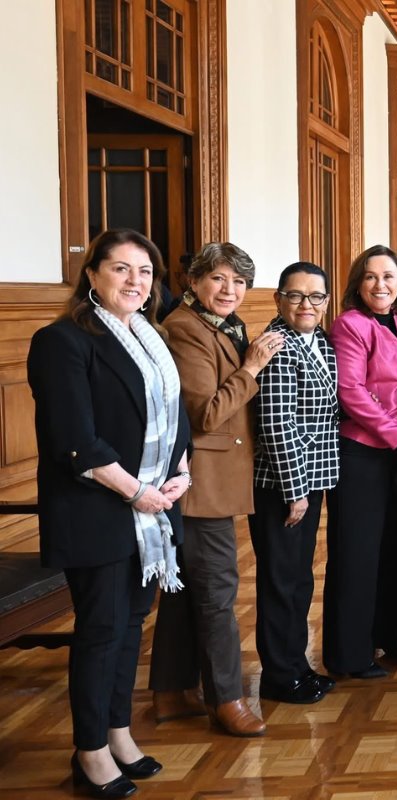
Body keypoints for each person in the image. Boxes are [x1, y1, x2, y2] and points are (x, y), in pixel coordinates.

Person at [28, 229, 191, 798]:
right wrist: (136, 492)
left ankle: (118, 732)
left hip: (149, 510)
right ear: (93, 275)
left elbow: (176, 418)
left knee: (129, 629)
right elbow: (75, 439)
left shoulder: (149, 337)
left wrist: (181, 473)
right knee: (100, 630)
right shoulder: (63, 340)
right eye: (120, 269)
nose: (134, 281)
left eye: (144, 272)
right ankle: (89, 751)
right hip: (97, 508)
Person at [149, 242, 280, 738]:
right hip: (200, 482)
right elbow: (205, 414)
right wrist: (251, 368)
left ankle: (171, 691)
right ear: (194, 282)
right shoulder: (185, 329)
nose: (230, 290)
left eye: (239, 282)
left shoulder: (218, 325)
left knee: (186, 591)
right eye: (219, 279)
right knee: (219, 593)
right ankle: (228, 699)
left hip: (217, 478)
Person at [324, 245, 397, 678]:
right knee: (356, 555)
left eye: (388, 277)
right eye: (370, 277)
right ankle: (349, 654)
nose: (380, 285)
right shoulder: (349, 324)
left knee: (391, 550)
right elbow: (350, 392)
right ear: (357, 283)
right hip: (363, 453)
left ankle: (388, 637)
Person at [248, 262, 340, 705]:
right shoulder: (276, 346)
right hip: (284, 486)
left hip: (312, 478)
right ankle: (279, 676)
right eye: (296, 295)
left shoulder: (319, 339)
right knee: (281, 580)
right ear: (278, 299)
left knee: (299, 578)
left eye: (316, 296)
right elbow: (276, 424)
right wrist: (296, 491)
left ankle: (297, 664)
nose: (306, 304)